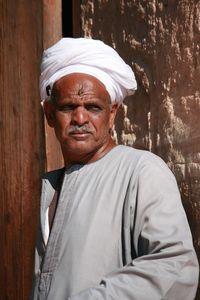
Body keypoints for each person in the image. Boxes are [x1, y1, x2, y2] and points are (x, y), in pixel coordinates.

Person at [30, 38, 199, 300]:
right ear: (50, 115)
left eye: (93, 107)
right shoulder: (43, 188)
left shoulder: (142, 172)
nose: (80, 118)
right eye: (68, 107)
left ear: (112, 114)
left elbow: (174, 266)